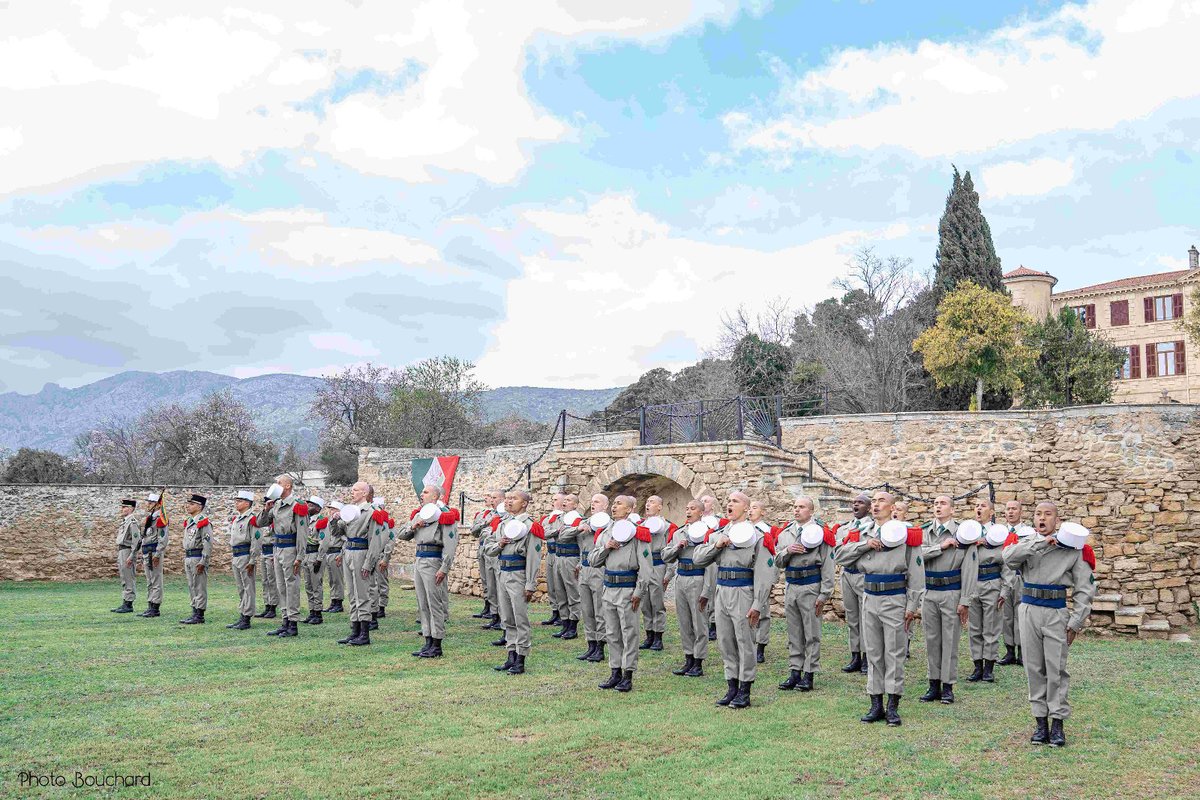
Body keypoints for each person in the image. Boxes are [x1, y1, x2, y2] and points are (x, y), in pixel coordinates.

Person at [1003, 502, 1096, 747]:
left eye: (1048, 515)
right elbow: (1008, 558)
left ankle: (1057, 723)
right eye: (1038, 514)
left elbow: (1085, 589)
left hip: (1056, 612)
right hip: (1029, 610)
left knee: (1055, 669)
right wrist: (1039, 543)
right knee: (1033, 668)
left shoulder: (1074, 549)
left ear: (1057, 520)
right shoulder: (1025, 543)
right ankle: (1040, 723)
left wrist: (1076, 622)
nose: (1042, 518)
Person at [835, 491, 924, 727]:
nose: (875, 505)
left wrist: (912, 606)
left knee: (894, 652)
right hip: (870, 596)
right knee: (873, 651)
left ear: (893, 506)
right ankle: (875, 702)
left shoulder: (905, 534)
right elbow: (840, 555)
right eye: (873, 502)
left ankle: (893, 705)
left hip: (895, 597)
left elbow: (916, 573)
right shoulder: (861, 533)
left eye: (881, 501)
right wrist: (864, 546)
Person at [691, 491, 775, 710]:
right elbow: (698, 559)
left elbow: (764, 575)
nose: (729, 504)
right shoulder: (717, 535)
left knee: (745, 641)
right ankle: (731, 686)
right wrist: (716, 546)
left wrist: (758, 604)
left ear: (746, 508)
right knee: (725, 640)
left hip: (743, 592)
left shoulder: (757, 536)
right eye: (728, 501)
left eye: (735, 501)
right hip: (722, 591)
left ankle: (745, 689)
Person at [590, 495, 653, 692]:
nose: (615, 507)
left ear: (630, 509)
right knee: (612, 633)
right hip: (609, 588)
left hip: (628, 590)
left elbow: (646, 567)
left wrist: (639, 592)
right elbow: (593, 560)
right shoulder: (605, 533)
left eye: (619, 504)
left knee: (629, 633)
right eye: (614, 503)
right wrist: (606, 549)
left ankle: (628, 674)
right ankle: (615, 671)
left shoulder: (638, 534)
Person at [774, 495, 836, 692]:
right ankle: (795, 671)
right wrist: (788, 551)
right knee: (794, 631)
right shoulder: (786, 533)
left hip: (811, 585)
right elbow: (777, 561)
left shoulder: (821, 533)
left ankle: (809, 673)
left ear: (811, 511)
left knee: (811, 632)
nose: (796, 510)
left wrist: (824, 594)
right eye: (795, 506)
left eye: (801, 507)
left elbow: (828, 564)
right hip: (792, 584)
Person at [917, 496, 976, 704]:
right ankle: (933, 683)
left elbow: (970, 568)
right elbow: (916, 557)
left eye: (943, 504)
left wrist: (965, 600)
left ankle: (948, 686)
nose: (938, 507)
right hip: (930, 591)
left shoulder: (964, 532)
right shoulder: (924, 531)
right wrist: (940, 547)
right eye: (935, 504)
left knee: (950, 640)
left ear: (952, 509)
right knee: (932, 639)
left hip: (952, 592)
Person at [483, 490, 544, 675]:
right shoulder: (503, 524)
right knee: (507, 617)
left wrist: (530, 584)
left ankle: (521, 658)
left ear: (524, 503)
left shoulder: (531, 526)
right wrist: (499, 544)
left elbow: (534, 557)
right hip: (503, 572)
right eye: (508, 498)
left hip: (518, 574)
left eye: (514, 499)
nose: (509, 502)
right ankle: (510, 654)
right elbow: (489, 549)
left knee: (520, 618)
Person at [399, 484, 462, 658]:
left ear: (435, 496)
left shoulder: (444, 516)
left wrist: (444, 568)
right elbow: (402, 535)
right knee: (422, 602)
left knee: (435, 603)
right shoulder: (420, 514)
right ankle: (427, 639)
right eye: (422, 492)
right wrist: (415, 526)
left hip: (434, 561)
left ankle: (437, 642)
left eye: (426, 492)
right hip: (419, 559)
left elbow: (450, 546)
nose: (422, 494)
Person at [661, 499, 714, 677]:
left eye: (693, 509)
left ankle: (699, 661)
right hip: (682, 577)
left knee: (699, 621)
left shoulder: (708, 534)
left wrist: (707, 591)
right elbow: (666, 556)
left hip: (698, 577)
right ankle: (688, 658)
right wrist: (677, 547)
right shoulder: (679, 533)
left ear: (701, 512)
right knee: (684, 621)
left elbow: (711, 566)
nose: (688, 511)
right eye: (687, 508)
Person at [331, 482, 385, 646]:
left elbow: (376, 541)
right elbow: (337, 534)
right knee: (352, 594)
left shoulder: (372, 512)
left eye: (355, 490)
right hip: (349, 552)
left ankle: (364, 633)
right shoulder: (350, 510)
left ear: (364, 492)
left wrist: (368, 564)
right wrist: (335, 521)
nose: (352, 492)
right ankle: (354, 630)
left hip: (362, 553)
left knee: (363, 593)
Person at [257, 476, 311, 638]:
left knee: (291, 586)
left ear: (287, 485)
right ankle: (285, 620)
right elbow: (260, 523)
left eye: (279, 483)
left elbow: (303, 534)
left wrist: (300, 556)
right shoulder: (277, 504)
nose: (276, 485)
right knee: (280, 586)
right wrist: (266, 509)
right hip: (277, 548)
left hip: (290, 549)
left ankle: (293, 623)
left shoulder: (298, 506)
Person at [967, 498, 1007, 683]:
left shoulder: (998, 532)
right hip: (972, 583)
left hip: (992, 582)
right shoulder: (967, 531)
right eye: (976, 506)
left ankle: (989, 668)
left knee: (991, 627)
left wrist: (1005, 590)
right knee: (974, 627)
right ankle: (977, 666)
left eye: (983, 506)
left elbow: (1007, 563)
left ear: (991, 512)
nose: (979, 509)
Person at [834, 493, 872, 673]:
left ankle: (866, 656)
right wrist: (856, 549)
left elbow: (858, 552)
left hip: (862, 575)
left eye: (861, 503)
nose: (856, 505)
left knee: (865, 617)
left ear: (869, 508)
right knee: (852, 617)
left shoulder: (872, 528)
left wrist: (850, 550)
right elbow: (838, 553)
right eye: (854, 502)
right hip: (847, 574)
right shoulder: (844, 529)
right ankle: (855, 654)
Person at [576, 493, 610, 663]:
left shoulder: (610, 526)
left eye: (597, 502)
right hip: (584, 568)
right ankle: (590, 643)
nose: (593, 505)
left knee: (599, 609)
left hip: (598, 569)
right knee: (587, 609)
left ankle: (600, 645)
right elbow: (565, 535)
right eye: (591, 502)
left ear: (606, 506)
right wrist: (580, 528)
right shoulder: (585, 523)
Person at [637, 495, 673, 652]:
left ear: (659, 507)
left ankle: (658, 636)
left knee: (657, 603)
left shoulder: (667, 527)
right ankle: (649, 635)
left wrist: (669, 573)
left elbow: (671, 551)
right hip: (644, 567)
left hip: (658, 565)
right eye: (646, 502)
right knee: (645, 603)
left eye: (652, 502)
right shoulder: (640, 526)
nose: (648, 505)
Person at [226, 490, 262, 630]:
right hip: (236, 556)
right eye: (236, 501)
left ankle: (247, 617)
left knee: (248, 587)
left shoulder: (252, 518)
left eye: (239, 501)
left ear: (247, 503)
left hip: (246, 555)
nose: (236, 503)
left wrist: (252, 560)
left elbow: (256, 540)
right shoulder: (238, 518)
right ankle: (242, 614)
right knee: (241, 588)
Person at [748, 499, 778, 664]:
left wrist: (772, 577)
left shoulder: (767, 531)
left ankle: (761, 646)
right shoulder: (743, 529)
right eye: (750, 508)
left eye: (755, 508)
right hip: (746, 574)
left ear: (763, 512)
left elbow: (772, 557)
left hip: (761, 574)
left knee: (763, 610)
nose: (751, 511)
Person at [551, 493, 584, 641]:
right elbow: (545, 532)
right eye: (564, 500)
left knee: (572, 592)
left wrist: (580, 562)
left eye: (569, 500)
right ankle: (564, 622)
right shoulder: (558, 519)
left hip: (571, 558)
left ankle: (573, 625)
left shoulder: (579, 520)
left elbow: (583, 544)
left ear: (576, 505)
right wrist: (556, 532)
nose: (565, 502)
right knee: (559, 591)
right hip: (558, 556)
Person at [179, 494, 214, 625]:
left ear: (199, 506)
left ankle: (200, 614)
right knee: (192, 585)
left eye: (192, 504)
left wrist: (203, 561)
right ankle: (194, 611)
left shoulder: (203, 522)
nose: (188, 506)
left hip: (198, 556)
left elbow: (207, 543)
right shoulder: (190, 521)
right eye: (188, 503)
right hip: (189, 556)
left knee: (199, 585)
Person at [998, 500, 1026, 666]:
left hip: (1020, 577)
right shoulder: (999, 532)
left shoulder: (1027, 532)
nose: (1011, 512)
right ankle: (1009, 651)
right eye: (1008, 509)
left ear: (1020, 512)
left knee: (1021, 614)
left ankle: (1023, 652)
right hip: (1004, 579)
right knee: (1007, 616)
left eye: (1014, 509)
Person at [469, 490, 503, 621]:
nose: (491, 500)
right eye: (491, 497)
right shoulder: (485, 514)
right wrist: (487, 522)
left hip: (494, 549)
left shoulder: (504, 515)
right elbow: (474, 531)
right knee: (485, 579)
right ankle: (488, 605)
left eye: (494, 497)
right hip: (483, 547)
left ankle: (497, 611)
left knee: (495, 581)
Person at [301, 496, 332, 625]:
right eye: (307, 504)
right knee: (308, 585)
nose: (308, 507)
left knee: (316, 585)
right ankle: (312, 611)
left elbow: (324, 542)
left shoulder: (322, 521)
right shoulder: (305, 520)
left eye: (311, 505)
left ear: (318, 508)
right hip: (305, 554)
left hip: (315, 555)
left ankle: (318, 613)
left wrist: (319, 559)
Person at [137, 492, 169, 618]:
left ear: (157, 505)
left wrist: (158, 553)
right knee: (149, 580)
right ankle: (150, 604)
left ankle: (155, 606)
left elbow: (163, 538)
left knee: (156, 580)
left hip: (154, 552)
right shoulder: (150, 518)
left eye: (151, 502)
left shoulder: (160, 518)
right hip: (147, 552)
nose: (148, 504)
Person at [111, 499, 141, 613]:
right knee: (124, 576)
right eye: (122, 507)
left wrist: (132, 556)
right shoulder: (125, 521)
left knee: (128, 577)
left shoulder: (132, 521)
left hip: (128, 551)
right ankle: (125, 601)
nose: (122, 509)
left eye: (125, 507)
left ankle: (129, 603)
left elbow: (136, 540)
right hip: (122, 550)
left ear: (131, 508)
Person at [540, 494, 563, 628]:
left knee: (560, 585)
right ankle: (555, 611)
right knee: (551, 584)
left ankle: (563, 613)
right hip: (550, 551)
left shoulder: (568, 518)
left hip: (560, 553)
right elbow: (543, 533)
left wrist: (551, 531)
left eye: (556, 500)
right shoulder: (547, 519)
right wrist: (556, 531)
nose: (553, 502)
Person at [700, 494, 720, 641]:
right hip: (699, 556)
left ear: (712, 506)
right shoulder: (696, 522)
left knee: (711, 588)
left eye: (706, 501)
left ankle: (713, 623)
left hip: (712, 558)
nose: (703, 503)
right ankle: (701, 621)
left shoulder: (720, 522)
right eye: (701, 501)